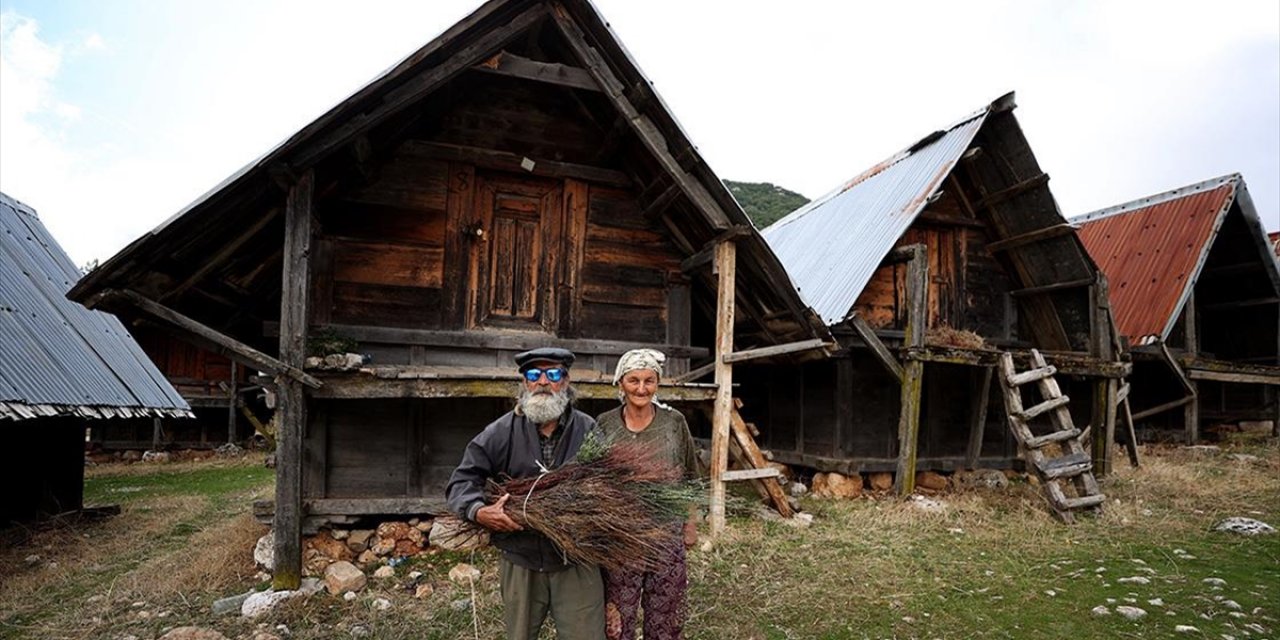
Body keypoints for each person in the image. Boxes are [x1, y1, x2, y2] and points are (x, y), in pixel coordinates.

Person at [445, 347, 606, 640]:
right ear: (525, 383)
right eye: (534, 374)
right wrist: (479, 511)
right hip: (521, 558)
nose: (543, 381)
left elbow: (609, 486)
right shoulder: (501, 431)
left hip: (577, 560)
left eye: (553, 373)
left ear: (565, 382)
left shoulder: (588, 430)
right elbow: (462, 481)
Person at [595, 348, 700, 640]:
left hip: (666, 535)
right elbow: (591, 478)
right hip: (621, 537)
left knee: (665, 619)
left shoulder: (674, 422)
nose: (642, 388)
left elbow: (691, 478)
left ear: (657, 384)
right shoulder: (604, 424)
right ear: (620, 383)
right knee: (617, 620)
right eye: (634, 380)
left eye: (649, 381)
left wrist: (690, 525)